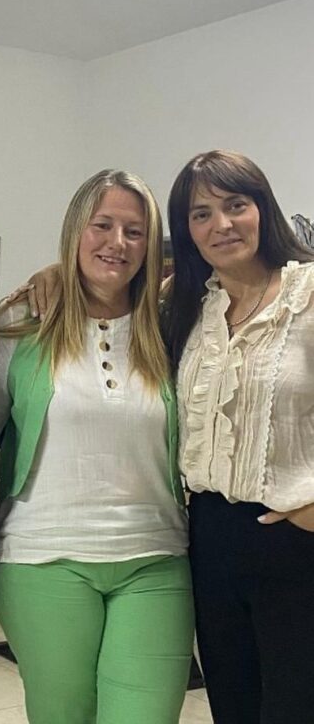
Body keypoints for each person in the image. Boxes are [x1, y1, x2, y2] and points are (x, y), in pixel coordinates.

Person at [0, 169, 194, 724]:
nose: (116, 242)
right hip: (42, 558)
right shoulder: (20, 323)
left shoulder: (171, 327)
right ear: (75, 229)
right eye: (102, 225)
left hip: (156, 559)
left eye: (134, 231)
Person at [163, 150, 314, 724]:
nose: (221, 224)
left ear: (262, 209)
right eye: (201, 214)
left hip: (295, 538)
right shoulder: (184, 306)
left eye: (235, 205)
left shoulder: (307, 294)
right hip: (209, 539)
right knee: (234, 705)